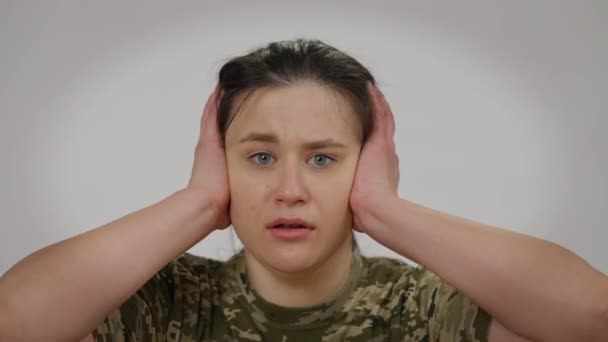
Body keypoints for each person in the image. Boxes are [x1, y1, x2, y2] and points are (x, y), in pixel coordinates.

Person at [1, 39, 607, 342]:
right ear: (221, 165)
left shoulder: (420, 307)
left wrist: (384, 212)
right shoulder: (165, 303)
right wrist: (200, 204)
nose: (289, 189)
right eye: (260, 157)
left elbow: (593, 316)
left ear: (365, 166)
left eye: (323, 158)